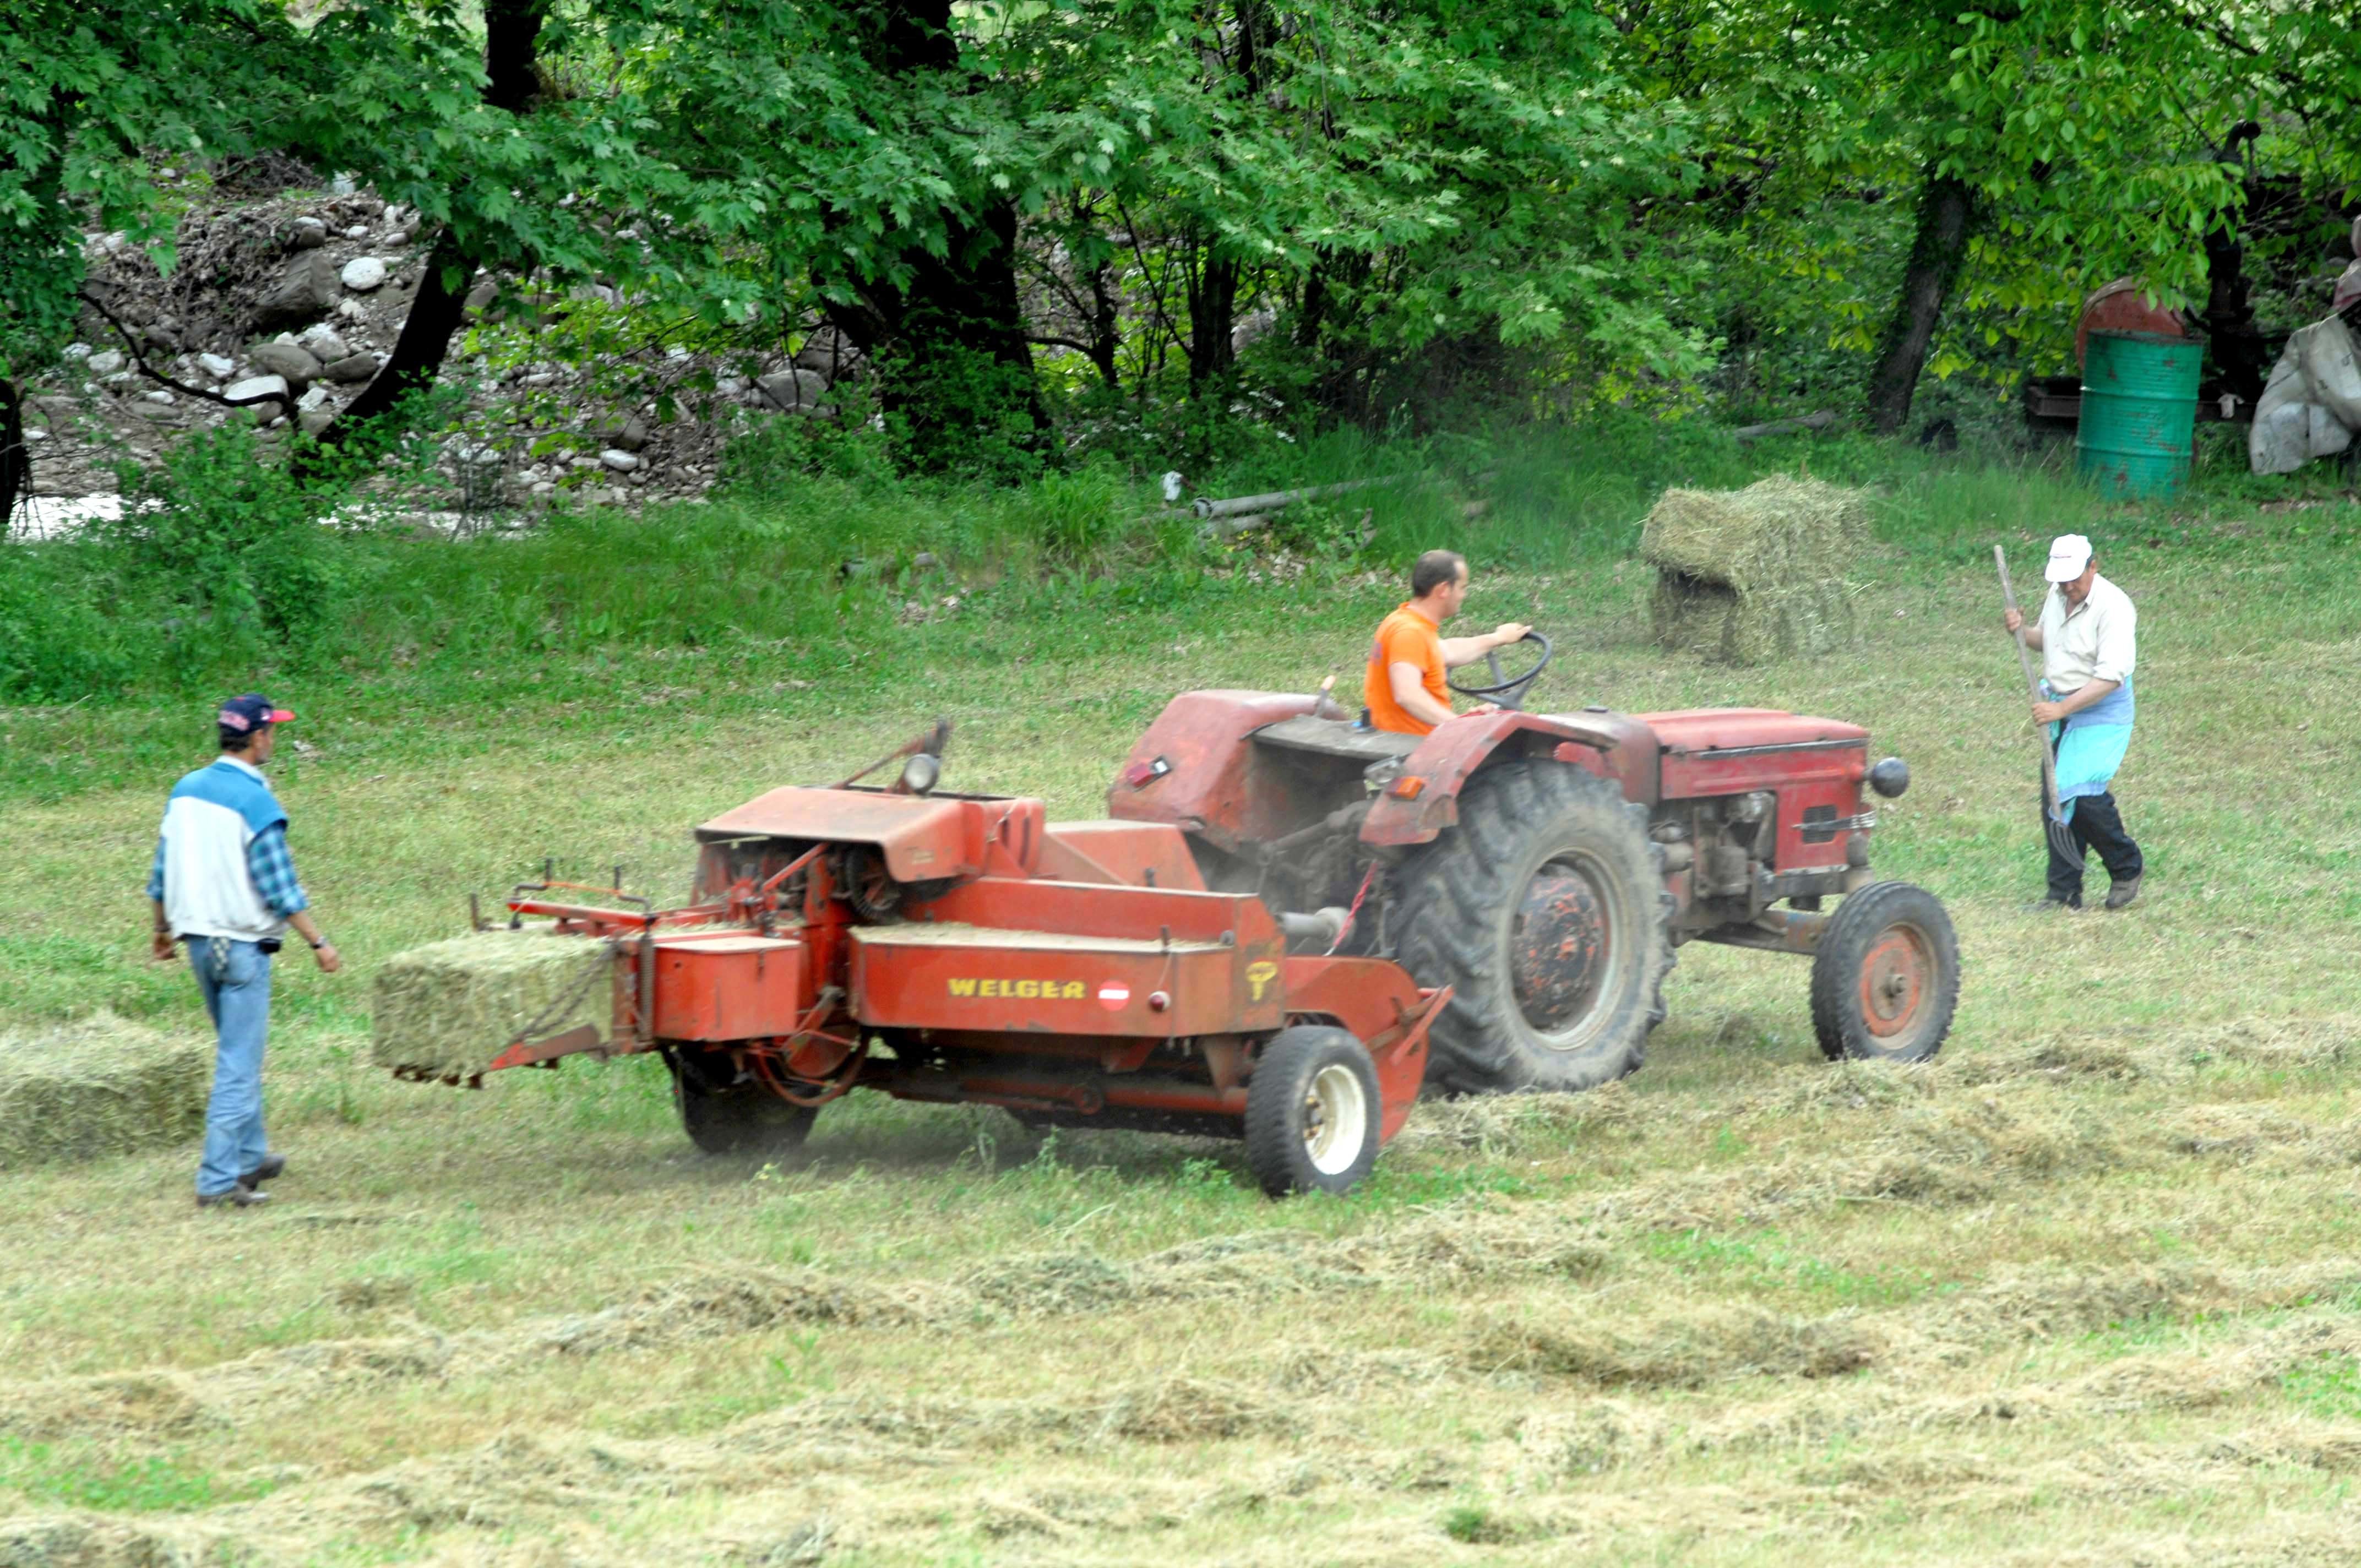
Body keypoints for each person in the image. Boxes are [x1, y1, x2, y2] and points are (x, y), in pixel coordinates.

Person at [148, 695, 341, 1208]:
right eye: (272, 732)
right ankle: (217, 1181)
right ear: (257, 738)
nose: (274, 739)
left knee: (237, 1051)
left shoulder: (185, 791)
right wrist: (319, 942)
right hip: (240, 947)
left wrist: (161, 929)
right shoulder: (256, 801)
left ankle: (250, 1156)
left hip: (196, 941)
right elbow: (280, 887)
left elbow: (162, 870)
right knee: (238, 1064)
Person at [2002, 535, 2144, 911]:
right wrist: (2021, 630)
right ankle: (2064, 893)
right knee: (2055, 796)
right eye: (2061, 580)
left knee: (2084, 795)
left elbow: (2111, 677)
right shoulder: (2058, 594)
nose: (2068, 587)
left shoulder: (2114, 607)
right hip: (2060, 706)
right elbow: (2046, 641)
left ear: (2093, 566)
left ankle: (2127, 868)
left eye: (2074, 579)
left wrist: (2062, 710)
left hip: (2101, 711)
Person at [1363, 549, 1531, 735]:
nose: (1464, 595)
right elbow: (1407, 695)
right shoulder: (1410, 633)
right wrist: (1460, 726)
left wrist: (1498, 638)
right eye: (1462, 587)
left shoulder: (1403, 621)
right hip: (1414, 745)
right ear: (1443, 590)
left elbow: (1447, 651)